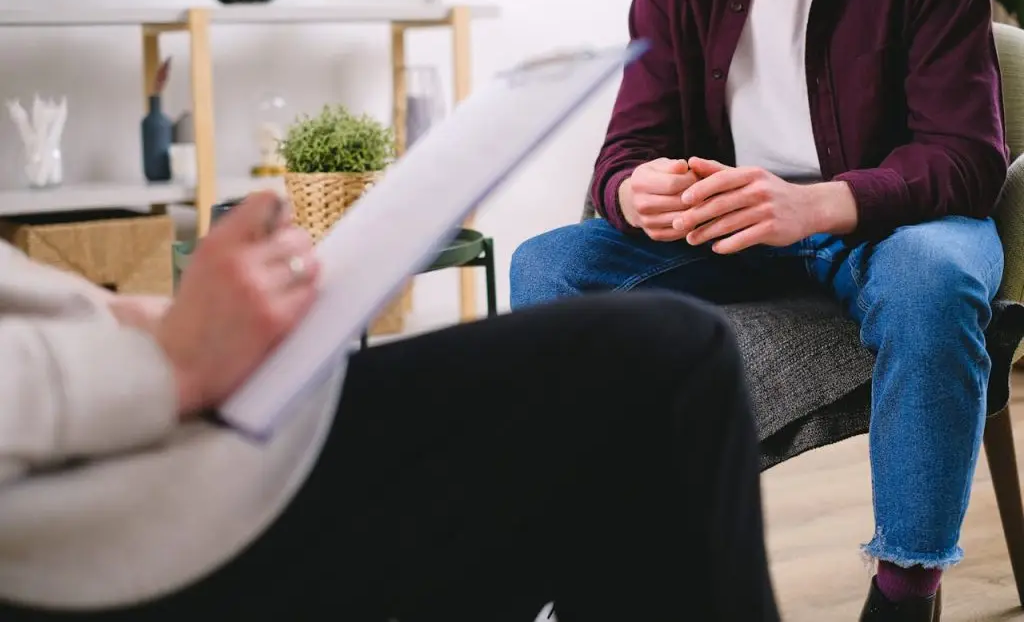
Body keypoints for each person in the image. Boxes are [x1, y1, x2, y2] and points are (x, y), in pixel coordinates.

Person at [509, 0, 1006, 619]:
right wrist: (630, 191)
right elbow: (628, 147)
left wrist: (817, 203)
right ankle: (597, 565)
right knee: (543, 268)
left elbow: (969, 158)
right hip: (733, 233)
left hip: (888, 221)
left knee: (933, 282)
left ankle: (905, 590)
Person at [0, 191, 779, 621]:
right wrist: (167, 363)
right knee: (660, 363)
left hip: (138, 445)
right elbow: (624, 155)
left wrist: (143, 320)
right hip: (105, 529)